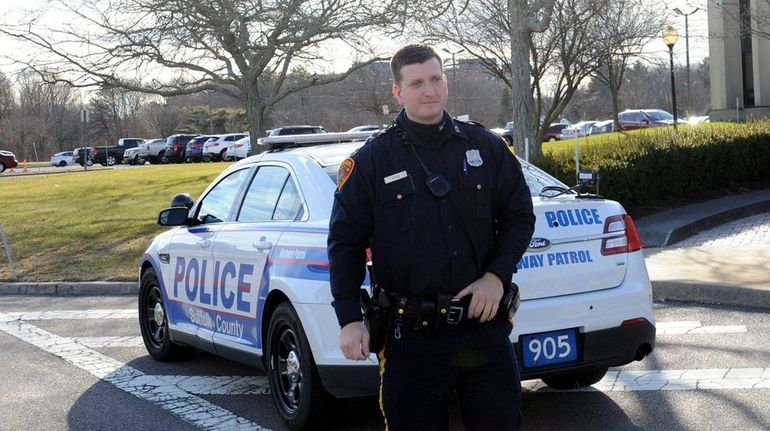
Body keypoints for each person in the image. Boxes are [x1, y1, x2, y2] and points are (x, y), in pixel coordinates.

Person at [328, 44, 535, 431]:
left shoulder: (485, 147)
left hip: (483, 328)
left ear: (446, 81)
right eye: (417, 82)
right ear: (398, 92)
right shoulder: (372, 161)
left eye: (436, 79)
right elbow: (345, 243)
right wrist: (348, 319)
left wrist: (495, 277)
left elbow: (519, 215)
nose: (429, 91)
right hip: (412, 338)